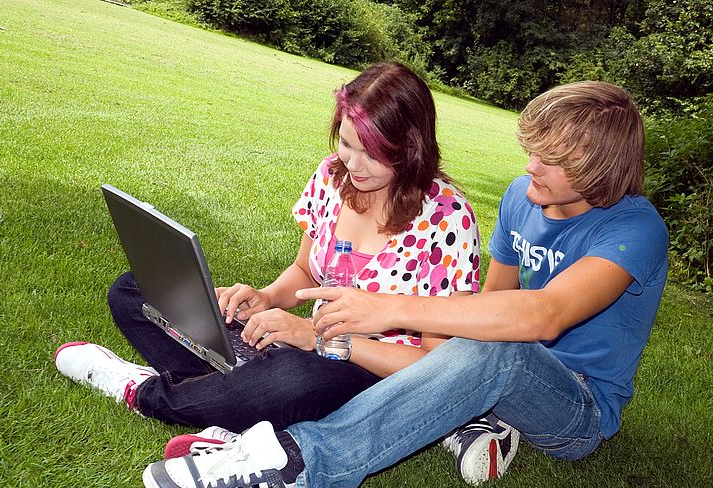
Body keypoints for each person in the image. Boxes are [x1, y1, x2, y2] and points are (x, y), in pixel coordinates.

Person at [141, 80, 670, 488]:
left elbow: (543, 316)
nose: (532, 165)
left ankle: (295, 467)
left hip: (576, 404)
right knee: (485, 351)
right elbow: (489, 307)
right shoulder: (520, 196)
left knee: (501, 352)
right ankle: (468, 410)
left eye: (553, 160)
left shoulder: (636, 230)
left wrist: (389, 310)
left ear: (600, 170)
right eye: (534, 150)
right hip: (502, 368)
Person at [54, 61, 481, 440]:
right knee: (136, 290)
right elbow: (306, 271)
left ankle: (143, 391)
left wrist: (317, 340)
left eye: (371, 154)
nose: (352, 164)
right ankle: (226, 400)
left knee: (290, 382)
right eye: (347, 143)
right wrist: (265, 298)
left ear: (410, 149)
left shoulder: (448, 219)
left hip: (363, 373)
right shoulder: (333, 177)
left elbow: (435, 366)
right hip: (302, 346)